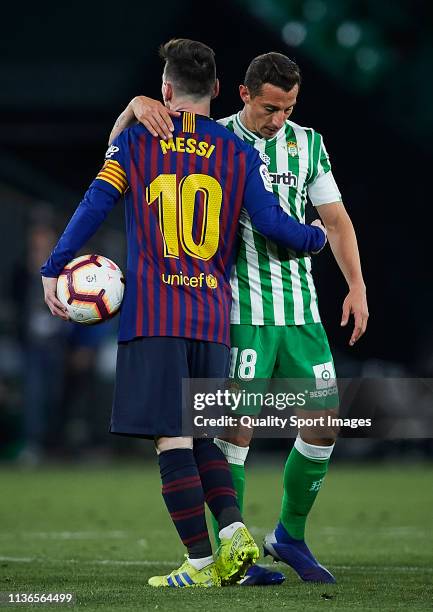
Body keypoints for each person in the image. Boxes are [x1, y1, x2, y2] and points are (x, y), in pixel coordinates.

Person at [41, 40, 327, 588]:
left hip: (155, 315)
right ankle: (235, 542)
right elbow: (272, 224)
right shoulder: (239, 152)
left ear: (166, 91)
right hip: (213, 318)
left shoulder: (136, 142)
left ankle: (199, 563)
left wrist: (55, 266)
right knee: (199, 436)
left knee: (171, 439)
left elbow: (93, 205)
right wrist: (314, 239)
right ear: (218, 91)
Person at [109, 51, 368, 585]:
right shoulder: (212, 137)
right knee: (233, 435)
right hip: (237, 311)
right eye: (271, 108)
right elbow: (118, 155)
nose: (280, 120)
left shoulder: (308, 143)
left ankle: (289, 536)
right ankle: (238, 554)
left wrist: (357, 286)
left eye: (289, 108)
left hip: (301, 312)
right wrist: (136, 105)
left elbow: (336, 221)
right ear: (244, 96)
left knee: (324, 427)